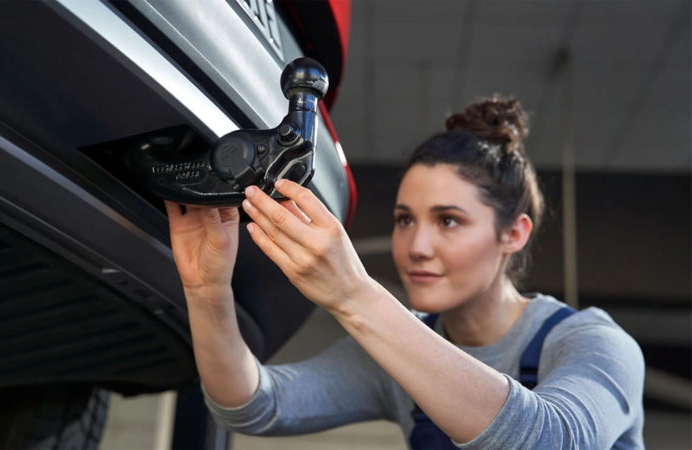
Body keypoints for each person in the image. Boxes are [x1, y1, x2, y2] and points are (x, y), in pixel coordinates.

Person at [165, 96, 645, 449]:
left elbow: (555, 441)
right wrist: (207, 291)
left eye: (449, 221)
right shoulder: (393, 353)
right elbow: (253, 406)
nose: (416, 246)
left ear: (513, 234)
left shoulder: (593, 342)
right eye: (404, 220)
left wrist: (355, 297)